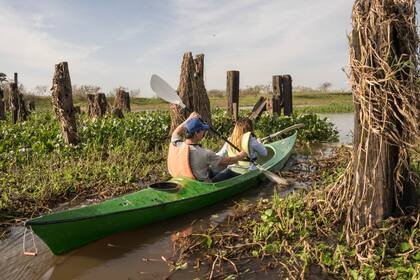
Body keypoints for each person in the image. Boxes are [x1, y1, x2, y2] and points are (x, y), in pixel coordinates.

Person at [167, 112, 247, 182]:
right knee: (228, 172)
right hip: (203, 184)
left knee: (212, 171)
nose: (204, 132)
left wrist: (189, 118)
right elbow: (227, 161)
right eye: (202, 130)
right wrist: (240, 156)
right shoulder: (205, 153)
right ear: (196, 133)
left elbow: (176, 132)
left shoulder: (177, 144)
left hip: (187, 178)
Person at [212, 118, 268, 182]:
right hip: (248, 171)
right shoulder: (252, 140)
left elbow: (219, 154)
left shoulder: (230, 140)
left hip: (231, 169)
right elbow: (264, 153)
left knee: (213, 181)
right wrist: (259, 142)